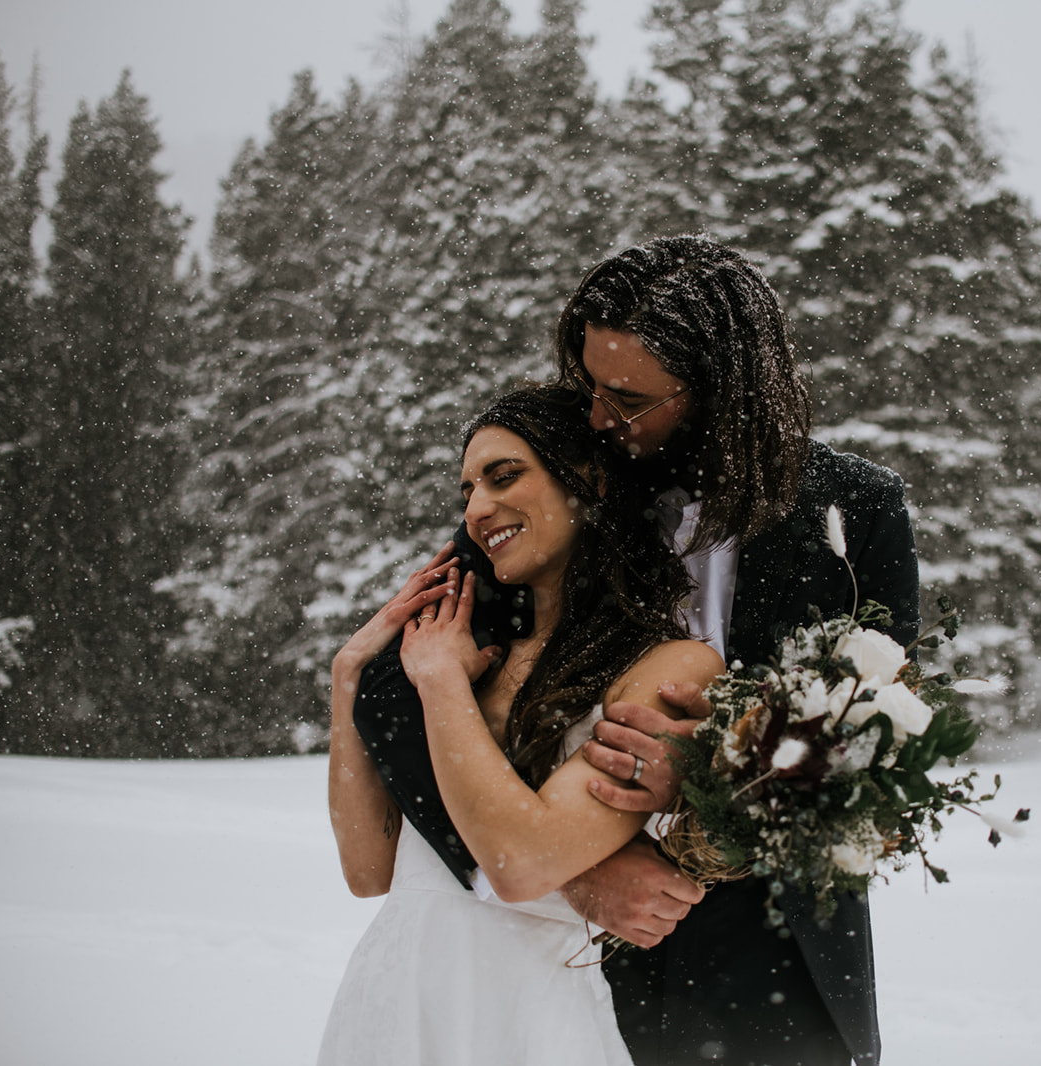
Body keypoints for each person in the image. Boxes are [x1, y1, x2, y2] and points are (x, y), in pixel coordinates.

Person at [355, 235, 921, 1065]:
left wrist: (724, 766)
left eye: (624, 398)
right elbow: (397, 694)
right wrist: (570, 876)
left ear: (724, 393)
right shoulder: (572, 482)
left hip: (776, 955)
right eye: (587, 384)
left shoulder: (857, 513)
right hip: (570, 956)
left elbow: (877, 741)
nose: (594, 417)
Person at [318, 385, 724, 1066]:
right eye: (468, 489)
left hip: (527, 1016)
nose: (478, 508)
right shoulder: (461, 647)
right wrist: (350, 674)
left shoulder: (667, 663)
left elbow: (521, 864)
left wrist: (442, 683)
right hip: (391, 1002)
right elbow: (367, 870)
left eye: (504, 476)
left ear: (589, 480)